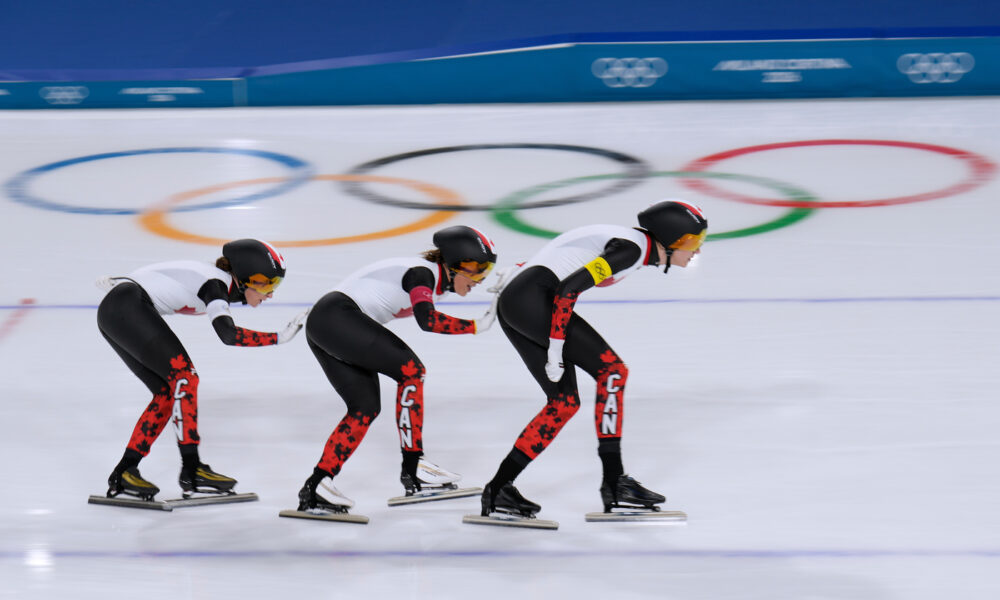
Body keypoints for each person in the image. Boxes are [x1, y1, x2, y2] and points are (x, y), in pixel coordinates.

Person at [479, 199, 708, 518]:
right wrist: (556, 348)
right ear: (668, 239)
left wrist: (516, 274)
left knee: (563, 404)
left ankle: (499, 488)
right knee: (613, 372)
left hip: (520, 301)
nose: (696, 250)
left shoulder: (629, 244)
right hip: (533, 301)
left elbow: (562, 253)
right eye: (691, 242)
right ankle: (614, 482)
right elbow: (568, 290)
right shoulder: (629, 251)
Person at [296, 225, 499, 513]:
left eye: (486, 270)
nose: (480, 278)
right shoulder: (422, 274)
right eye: (475, 269)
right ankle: (414, 465)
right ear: (452, 264)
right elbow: (427, 320)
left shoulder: (432, 278)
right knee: (411, 371)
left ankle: (317, 485)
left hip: (325, 322)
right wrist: (475, 326)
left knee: (364, 408)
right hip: (337, 317)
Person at [96, 239, 307, 501]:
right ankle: (192, 469)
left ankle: (125, 471)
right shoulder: (215, 284)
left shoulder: (216, 280)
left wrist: (122, 282)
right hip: (125, 307)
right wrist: (278, 337)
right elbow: (227, 335)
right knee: (186, 378)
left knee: (167, 393)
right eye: (269, 284)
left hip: (118, 308)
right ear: (245, 277)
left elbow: (162, 275)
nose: (271, 294)